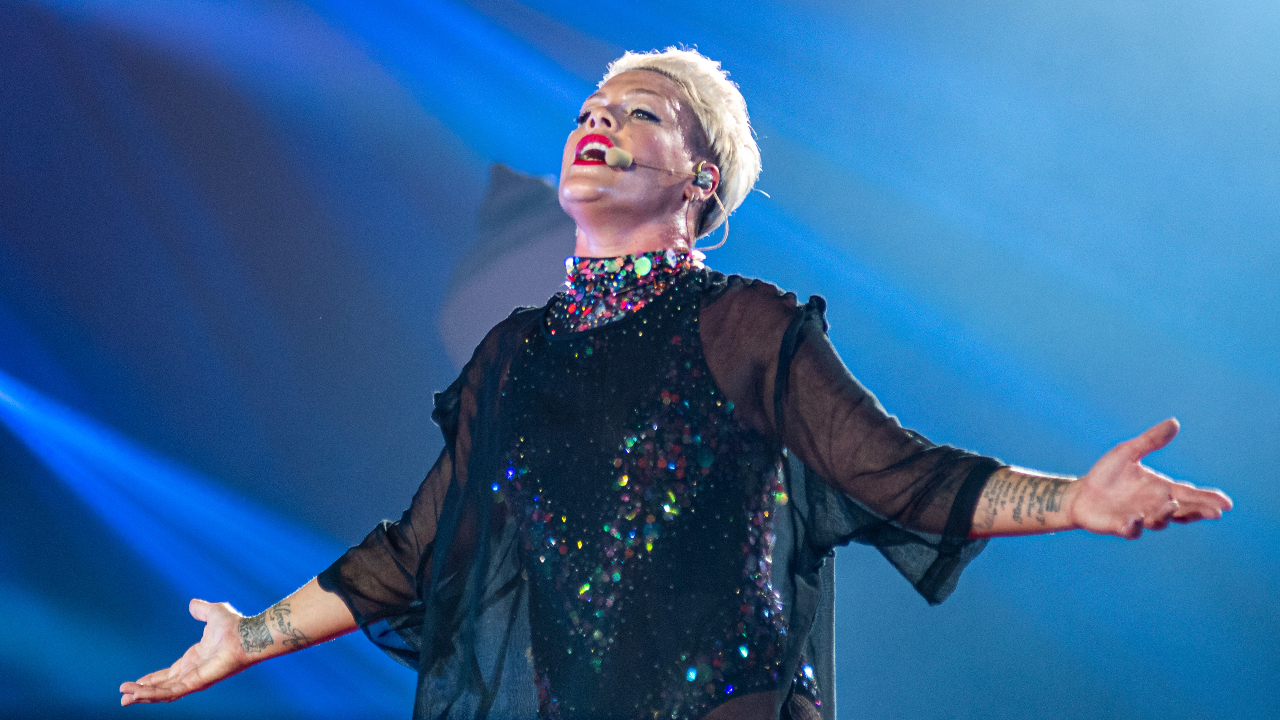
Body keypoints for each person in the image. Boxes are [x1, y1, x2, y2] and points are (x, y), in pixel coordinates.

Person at [119, 48, 1232, 720]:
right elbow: (420, 552)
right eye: (589, 110)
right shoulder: (513, 353)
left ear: (699, 180)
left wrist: (1068, 502)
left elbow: (891, 473)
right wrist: (250, 636)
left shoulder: (740, 322)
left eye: (639, 110)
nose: (598, 119)